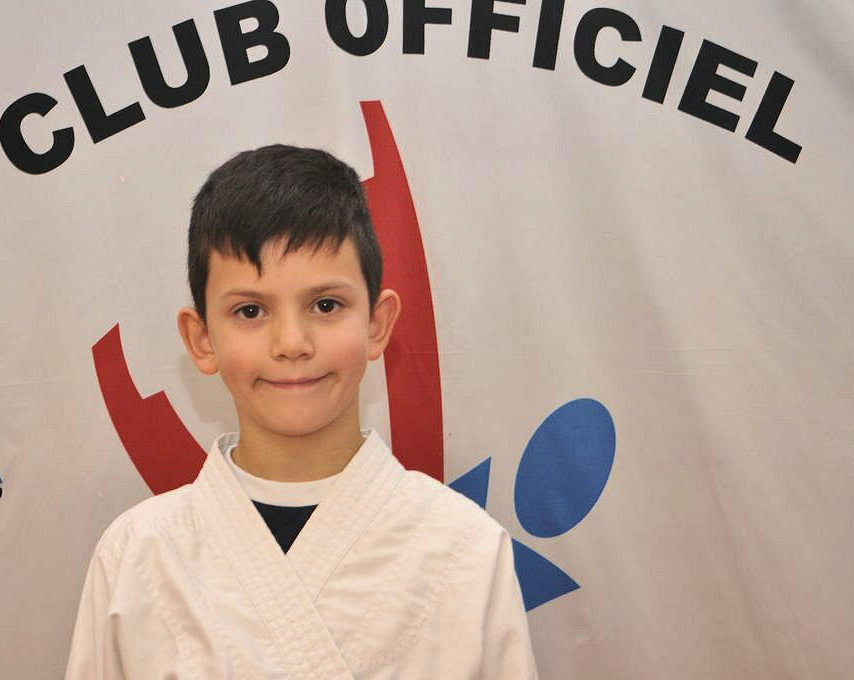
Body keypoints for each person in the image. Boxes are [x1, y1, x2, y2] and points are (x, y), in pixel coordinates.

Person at [64, 145, 538, 679]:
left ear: (377, 323)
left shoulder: (465, 549)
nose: (291, 343)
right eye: (250, 311)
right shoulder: (136, 556)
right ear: (202, 340)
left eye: (326, 305)